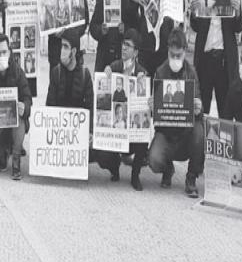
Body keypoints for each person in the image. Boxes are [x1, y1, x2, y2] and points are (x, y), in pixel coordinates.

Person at [47, 28, 121, 182]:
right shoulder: (56, 73)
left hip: (78, 134)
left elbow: (90, 108)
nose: (62, 50)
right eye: (61, 46)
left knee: (103, 154)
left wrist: (90, 133)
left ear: (74, 51)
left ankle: (114, 165)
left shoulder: (84, 75)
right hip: (61, 134)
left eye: (66, 47)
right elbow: (50, 106)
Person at [147, 29, 205, 197]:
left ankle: (191, 177)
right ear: (168, 51)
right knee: (154, 160)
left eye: (178, 55)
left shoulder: (191, 72)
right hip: (166, 132)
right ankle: (167, 168)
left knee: (200, 132)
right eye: (172, 54)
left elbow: (199, 112)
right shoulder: (160, 72)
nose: (175, 59)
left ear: (185, 52)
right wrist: (152, 107)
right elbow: (155, 118)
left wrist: (198, 107)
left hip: (186, 133)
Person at [189, 0, 242, 115]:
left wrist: (238, 10)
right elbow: (196, 27)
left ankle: (223, 141)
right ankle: (200, 141)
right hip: (205, 57)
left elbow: (238, 27)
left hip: (224, 60)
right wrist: (194, 11)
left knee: (225, 111)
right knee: (201, 109)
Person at [0, 34, 32, 180]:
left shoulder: (18, 73)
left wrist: (25, 106)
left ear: (9, 53)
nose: (1, 55)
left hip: (15, 122)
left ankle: (16, 160)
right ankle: (3, 153)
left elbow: (27, 97)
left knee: (20, 121)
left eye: (4, 52)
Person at [104, 29, 151, 190]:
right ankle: (114, 169)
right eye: (123, 44)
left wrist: (142, 85)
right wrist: (106, 74)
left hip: (132, 130)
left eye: (128, 46)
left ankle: (135, 175)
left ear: (136, 51)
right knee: (103, 146)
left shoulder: (142, 72)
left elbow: (146, 106)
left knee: (143, 136)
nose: (124, 48)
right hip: (117, 125)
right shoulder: (115, 66)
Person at [90, 0, 139, 72]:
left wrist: (125, 29)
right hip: (104, 56)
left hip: (123, 57)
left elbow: (136, 28)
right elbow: (92, 27)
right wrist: (100, 31)